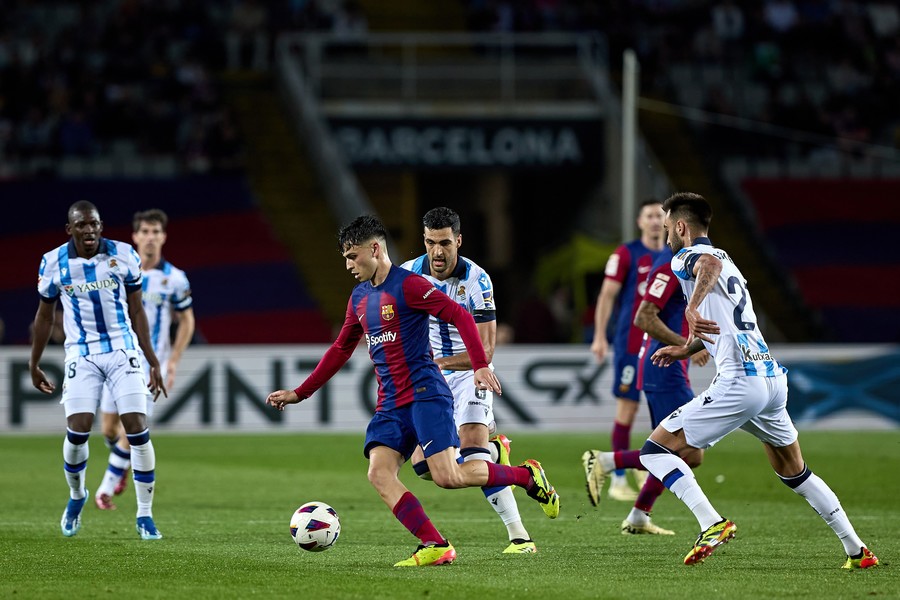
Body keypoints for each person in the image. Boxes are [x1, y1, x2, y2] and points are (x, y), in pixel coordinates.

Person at [265, 215, 559, 567]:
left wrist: (480, 364)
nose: (348, 265)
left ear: (374, 249)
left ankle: (525, 477)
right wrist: (301, 392)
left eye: (352, 256)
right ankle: (434, 543)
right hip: (390, 402)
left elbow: (461, 317)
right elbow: (341, 348)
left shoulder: (410, 285)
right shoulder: (359, 296)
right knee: (379, 473)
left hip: (425, 394)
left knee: (447, 477)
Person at [639, 192, 878, 568]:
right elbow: (729, 318)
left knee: (654, 451)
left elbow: (705, 268)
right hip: (769, 378)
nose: (666, 233)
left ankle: (711, 523)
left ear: (681, 227)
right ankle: (857, 550)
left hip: (740, 383)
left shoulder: (686, 257)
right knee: (794, 471)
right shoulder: (728, 258)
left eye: (668, 226)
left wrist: (690, 305)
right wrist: (687, 348)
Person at [400, 207, 536, 554]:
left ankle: (520, 538)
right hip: (432, 380)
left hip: (471, 371)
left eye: (445, 242)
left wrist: (437, 360)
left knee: (473, 449)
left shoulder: (477, 279)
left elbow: (486, 351)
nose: (438, 252)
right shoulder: (407, 276)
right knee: (424, 468)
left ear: (458, 240)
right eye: (431, 242)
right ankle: (498, 451)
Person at [29, 200, 167, 540]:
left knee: (136, 427)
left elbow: (137, 311)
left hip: (122, 349)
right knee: (78, 429)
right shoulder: (52, 263)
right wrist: (34, 363)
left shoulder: (123, 255)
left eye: (94, 224)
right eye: (82, 225)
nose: (89, 230)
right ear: (70, 229)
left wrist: (152, 360)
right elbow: (45, 315)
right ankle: (77, 496)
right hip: (82, 353)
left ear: (100, 226)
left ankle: (145, 515)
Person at [584, 246, 710, 534]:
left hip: (667, 366)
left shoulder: (679, 261)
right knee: (684, 449)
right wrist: (687, 347)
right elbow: (644, 317)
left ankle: (639, 516)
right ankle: (605, 461)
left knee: (677, 450)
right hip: (664, 365)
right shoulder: (671, 264)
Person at [94, 209, 195, 511]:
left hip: (152, 365)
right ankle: (122, 462)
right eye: (145, 232)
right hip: (115, 358)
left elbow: (187, 321)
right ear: (135, 236)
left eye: (156, 232)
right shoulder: (117, 272)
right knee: (109, 430)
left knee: (131, 426)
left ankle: (105, 489)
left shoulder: (174, 279)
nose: (150, 238)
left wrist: (173, 361)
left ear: (163, 237)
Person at [583, 199, 666, 501]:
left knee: (662, 412)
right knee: (627, 409)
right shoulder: (626, 254)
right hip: (631, 344)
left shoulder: (675, 255)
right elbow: (606, 295)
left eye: (660, 215)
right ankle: (619, 479)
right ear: (640, 221)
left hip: (662, 344)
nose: (656, 220)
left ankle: (648, 468)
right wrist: (600, 336)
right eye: (650, 216)